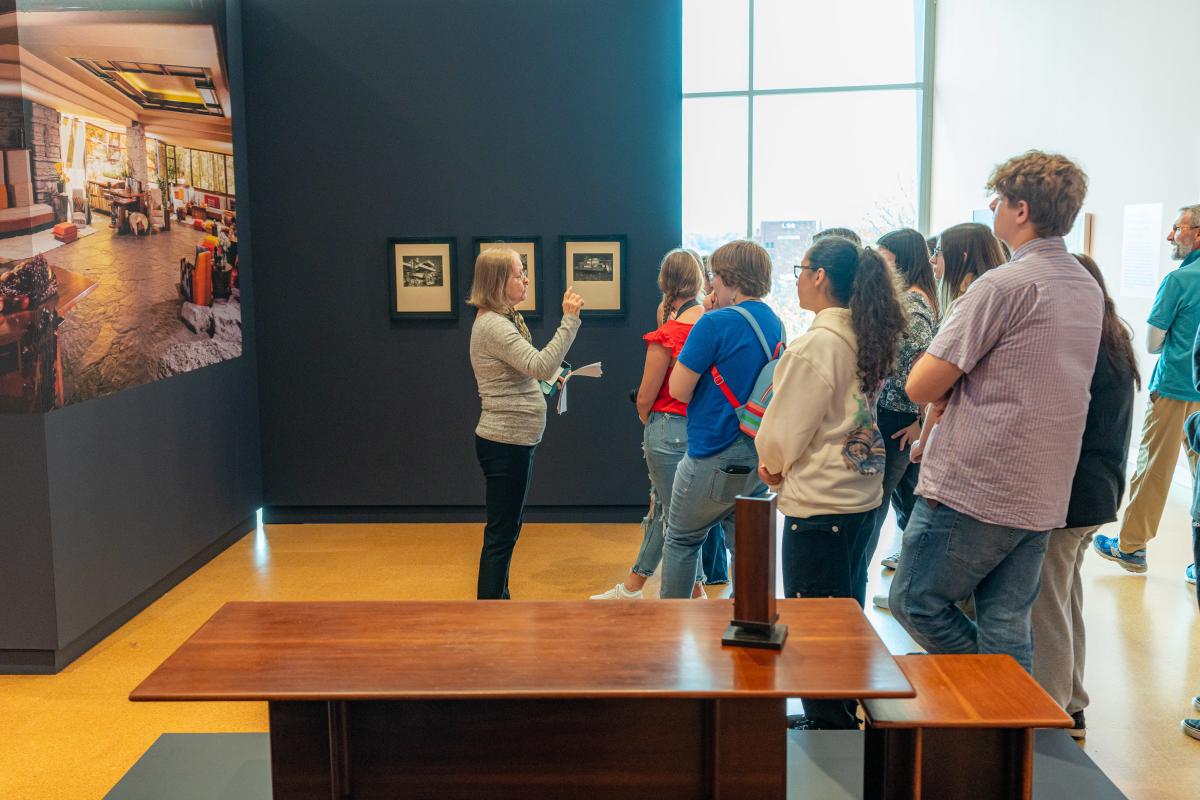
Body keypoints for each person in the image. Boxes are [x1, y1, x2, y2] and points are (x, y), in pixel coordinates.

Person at [889, 150, 1102, 673]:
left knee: (914, 601)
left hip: (977, 484)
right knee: (1007, 621)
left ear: (1021, 209)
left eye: (998, 200)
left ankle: (998, 692)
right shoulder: (1085, 286)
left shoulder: (1001, 287)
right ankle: (1005, 738)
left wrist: (948, 383)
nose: (992, 209)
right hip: (1042, 485)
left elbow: (919, 385)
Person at [756, 236, 904, 729]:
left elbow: (784, 429)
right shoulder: (866, 333)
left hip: (820, 501)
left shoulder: (817, 343)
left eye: (800, 268)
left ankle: (829, 722)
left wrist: (772, 463)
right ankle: (837, 708)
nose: (795, 278)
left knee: (815, 622)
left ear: (820, 276)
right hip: (860, 496)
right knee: (845, 612)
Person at [1030, 253, 1138, 740]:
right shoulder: (1113, 340)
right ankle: (1072, 701)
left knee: (1048, 604)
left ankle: (1052, 710)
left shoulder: (1084, 347)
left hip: (1071, 495)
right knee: (1066, 597)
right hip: (1097, 493)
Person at [658, 240, 783, 598]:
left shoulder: (714, 324)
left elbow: (679, 389)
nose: (710, 284)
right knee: (745, 549)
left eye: (714, 276)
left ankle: (670, 631)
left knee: (682, 540)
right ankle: (746, 626)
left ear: (729, 279)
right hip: (754, 452)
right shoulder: (774, 322)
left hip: (711, 450)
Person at [879, 221, 1006, 573]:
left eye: (940, 252)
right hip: (923, 419)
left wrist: (920, 426)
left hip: (915, 419)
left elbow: (926, 378)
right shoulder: (966, 299)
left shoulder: (951, 304)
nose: (935, 260)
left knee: (903, 507)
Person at [591, 249, 710, 600]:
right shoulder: (710, 323)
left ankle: (653, 589)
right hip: (698, 429)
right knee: (674, 513)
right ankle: (655, 586)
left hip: (666, 429)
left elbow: (646, 394)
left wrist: (647, 417)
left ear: (665, 281)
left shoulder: (669, 334)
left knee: (674, 518)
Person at [468, 248, 583, 599]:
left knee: (507, 530)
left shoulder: (504, 320)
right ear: (498, 281)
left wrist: (549, 382)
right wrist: (570, 321)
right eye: (519, 274)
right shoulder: (493, 326)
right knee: (502, 534)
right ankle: (491, 611)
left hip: (514, 441)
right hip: (505, 443)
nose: (526, 279)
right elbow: (539, 365)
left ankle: (499, 601)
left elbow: (529, 374)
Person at [1094, 204, 1200, 579]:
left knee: (1154, 468)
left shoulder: (1179, 281)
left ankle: (1131, 547)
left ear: (1197, 233)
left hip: (1174, 386)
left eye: (1177, 227)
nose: (1170, 236)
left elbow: (1154, 342)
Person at [863, 229, 937, 592]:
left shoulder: (914, 304)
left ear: (902, 258)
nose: (880, 261)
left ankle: (865, 584)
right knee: (901, 505)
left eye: (885, 255)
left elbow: (922, 368)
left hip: (898, 418)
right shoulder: (910, 299)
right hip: (895, 415)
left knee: (877, 507)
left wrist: (920, 422)